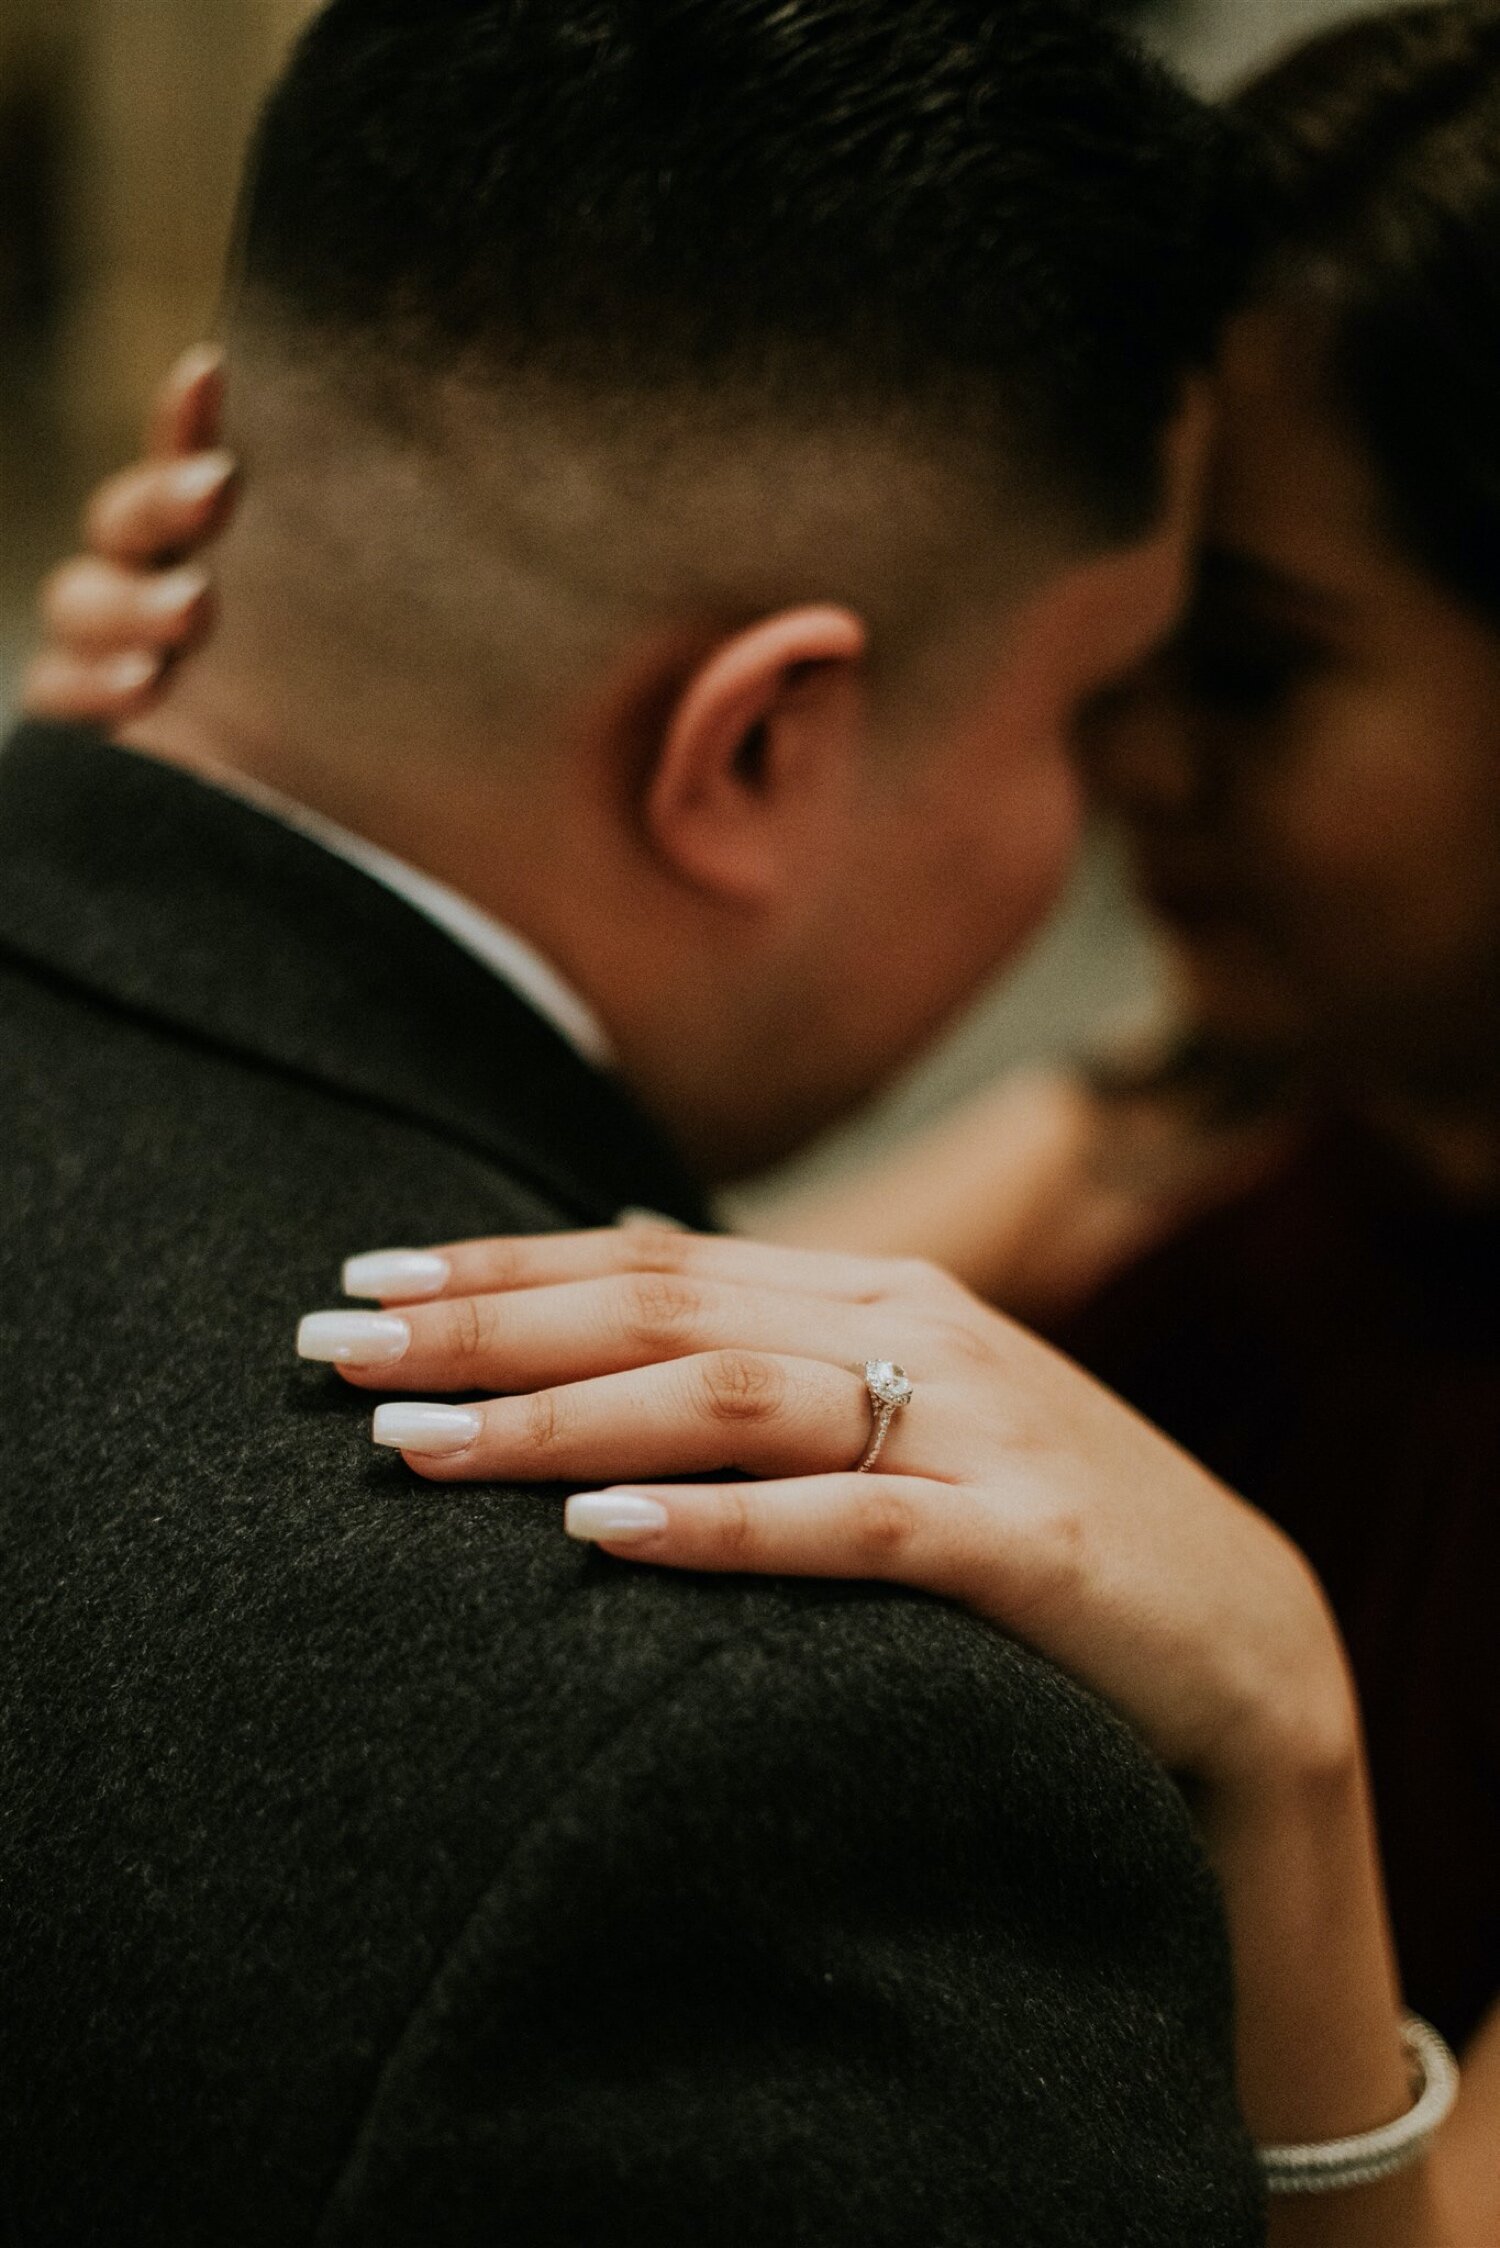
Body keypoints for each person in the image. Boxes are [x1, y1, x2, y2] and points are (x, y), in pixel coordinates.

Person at [36, 3, 1500, 2242]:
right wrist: (204, 832)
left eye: (1239, 667)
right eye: (1102, 674)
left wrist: (1289, 1752)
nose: (1125, 788)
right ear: (756, 735)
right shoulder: (1180, 1172)